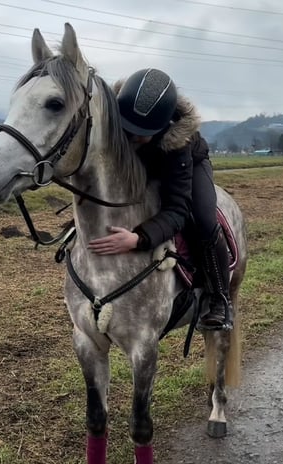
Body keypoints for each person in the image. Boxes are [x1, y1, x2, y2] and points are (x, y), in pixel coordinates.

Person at [87, 68, 232, 331]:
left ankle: (220, 297)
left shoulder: (179, 142)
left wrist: (138, 238)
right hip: (146, 166)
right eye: (126, 130)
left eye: (139, 134)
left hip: (186, 167)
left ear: (164, 126)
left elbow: (177, 208)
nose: (130, 139)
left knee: (203, 218)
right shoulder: (121, 120)